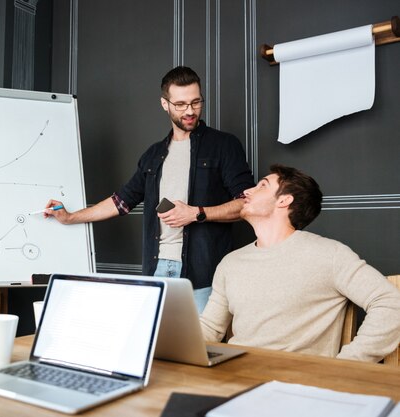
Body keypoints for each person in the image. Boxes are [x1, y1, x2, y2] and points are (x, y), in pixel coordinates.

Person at [44, 66, 254, 312]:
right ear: (165, 104)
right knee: (156, 348)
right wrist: (70, 217)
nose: (190, 111)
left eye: (196, 102)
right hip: (157, 271)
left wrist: (197, 212)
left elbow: (247, 203)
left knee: (200, 349)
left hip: (203, 274)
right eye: (181, 104)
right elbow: (121, 201)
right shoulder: (153, 156)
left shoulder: (224, 146)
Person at [200, 164, 400, 362]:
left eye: (262, 185)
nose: (246, 191)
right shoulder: (231, 263)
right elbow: (210, 328)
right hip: (232, 377)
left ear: (284, 200)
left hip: (295, 384)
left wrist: (348, 364)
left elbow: (390, 302)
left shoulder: (329, 254)